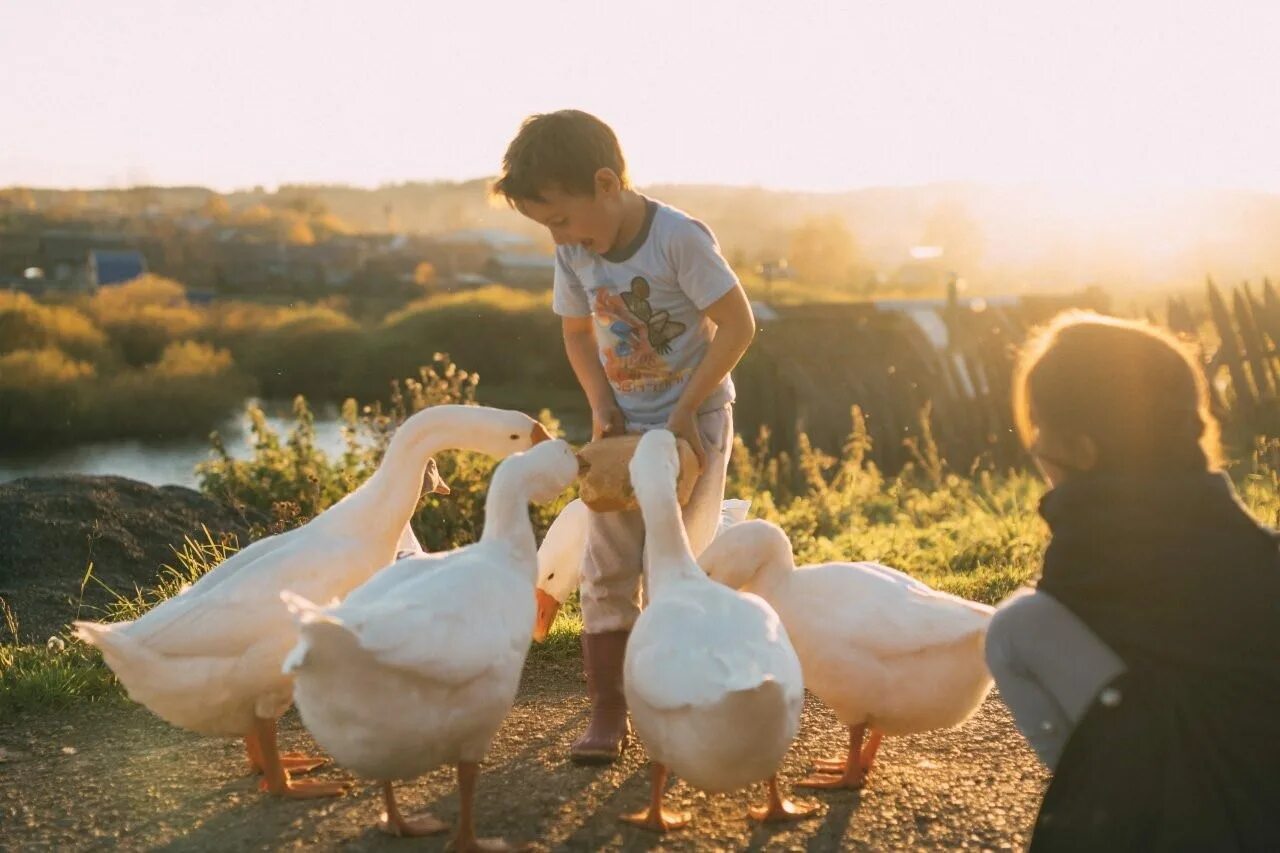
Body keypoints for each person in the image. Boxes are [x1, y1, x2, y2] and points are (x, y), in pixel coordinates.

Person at [493, 110, 756, 763]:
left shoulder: (677, 239)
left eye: (560, 218)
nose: (557, 236)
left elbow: (738, 324)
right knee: (605, 567)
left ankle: (682, 701)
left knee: (679, 563)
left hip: (694, 423)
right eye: (546, 225)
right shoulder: (574, 249)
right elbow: (578, 333)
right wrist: (601, 404)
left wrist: (687, 410)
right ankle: (608, 711)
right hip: (623, 428)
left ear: (606, 183)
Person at [984, 310, 1280, 850]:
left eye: (1042, 430)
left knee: (1015, 625)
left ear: (1085, 450)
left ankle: (1102, 810)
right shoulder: (1248, 538)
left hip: (1199, 817)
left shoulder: (1090, 549)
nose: (1035, 448)